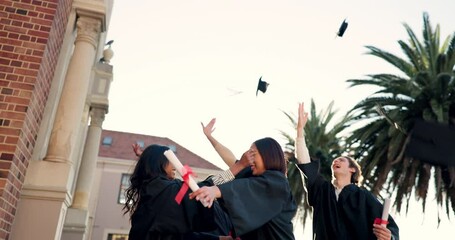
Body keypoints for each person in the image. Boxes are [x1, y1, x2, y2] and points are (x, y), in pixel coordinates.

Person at [294, 102, 400, 240]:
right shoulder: (322, 191)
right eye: (335, 160)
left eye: (341, 160)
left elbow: (389, 227)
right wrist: (300, 131)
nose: (335, 161)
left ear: (352, 169)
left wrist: (389, 237)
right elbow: (306, 164)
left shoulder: (363, 197)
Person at [190, 129, 297, 240]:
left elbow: (246, 188)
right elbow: (233, 161)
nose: (249, 158)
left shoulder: (278, 183)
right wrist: (210, 137)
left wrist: (215, 191)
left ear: (267, 156)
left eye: (253, 154)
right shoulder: (253, 175)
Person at [124, 143, 242, 240]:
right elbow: (199, 189)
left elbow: (180, 236)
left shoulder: (154, 190)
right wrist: (238, 167)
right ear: (160, 162)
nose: (174, 164)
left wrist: (220, 239)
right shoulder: (162, 190)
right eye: (170, 159)